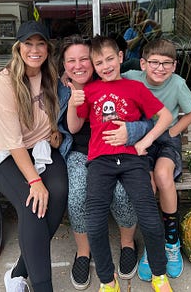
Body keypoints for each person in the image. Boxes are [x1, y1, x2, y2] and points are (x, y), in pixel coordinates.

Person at [0, 20, 68, 292]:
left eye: (40, 43)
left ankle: (19, 272)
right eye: (28, 44)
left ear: (48, 48)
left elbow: (51, 115)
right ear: (18, 47)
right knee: (35, 208)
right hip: (9, 155)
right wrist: (35, 182)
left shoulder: (50, 74)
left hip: (43, 149)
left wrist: (55, 132)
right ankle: (43, 287)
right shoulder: (4, 81)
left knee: (57, 196)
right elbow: (12, 141)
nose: (34, 50)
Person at [67, 35, 174, 292]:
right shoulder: (89, 91)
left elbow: (166, 116)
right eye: (99, 62)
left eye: (110, 59)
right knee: (95, 222)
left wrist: (144, 141)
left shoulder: (135, 88)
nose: (105, 66)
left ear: (121, 58)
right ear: (94, 65)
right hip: (100, 162)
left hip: (132, 159)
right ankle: (108, 280)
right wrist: (73, 103)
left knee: (149, 217)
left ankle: (160, 275)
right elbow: (73, 126)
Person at [122, 39, 191, 281]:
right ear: (143, 63)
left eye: (166, 63)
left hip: (166, 141)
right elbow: (104, 74)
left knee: (163, 176)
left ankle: (171, 241)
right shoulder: (132, 76)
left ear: (174, 66)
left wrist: (174, 132)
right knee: (147, 183)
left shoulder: (177, 84)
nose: (160, 68)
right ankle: (152, 245)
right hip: (140, 140)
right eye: (154, 62)